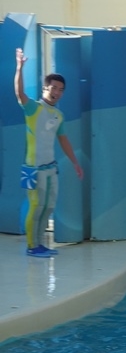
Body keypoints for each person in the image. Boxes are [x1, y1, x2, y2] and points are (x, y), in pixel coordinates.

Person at [14, 47, 83, 258]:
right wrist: (19, 67)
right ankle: (31, 245)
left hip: (51, 168)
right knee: (36, 206)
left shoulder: (59, 115)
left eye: (61, 89)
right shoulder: (33, 108)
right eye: (53, 87)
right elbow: (19, 93)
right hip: (33, 168)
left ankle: (40, 243)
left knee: (49, 206)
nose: (57, 92)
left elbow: (63, 140)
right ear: (45, 88)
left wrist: (74, 162)